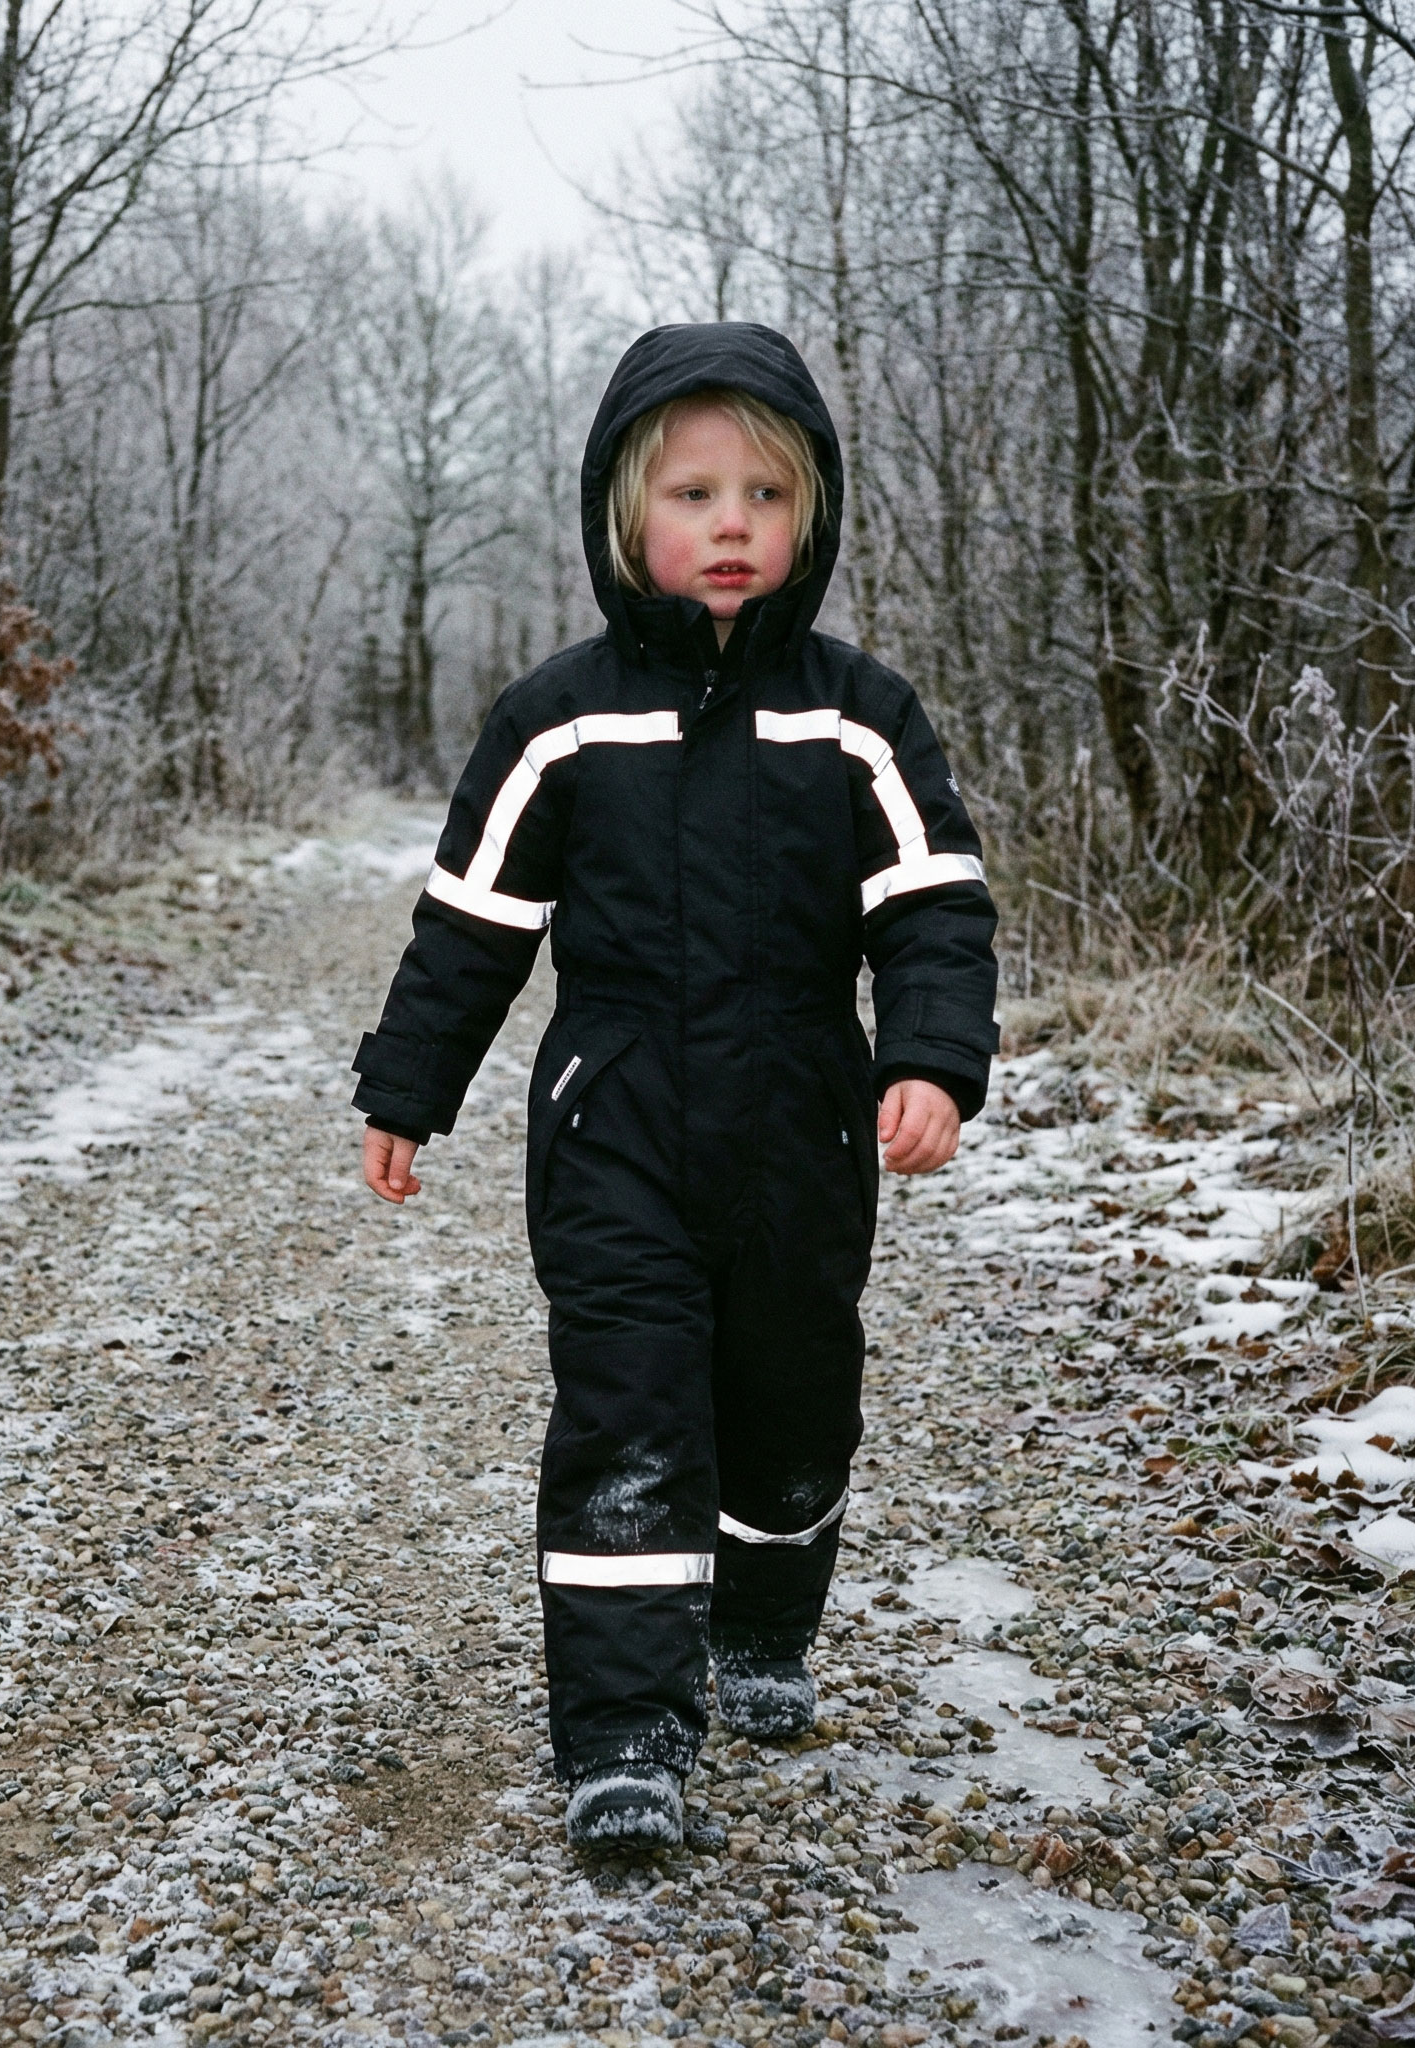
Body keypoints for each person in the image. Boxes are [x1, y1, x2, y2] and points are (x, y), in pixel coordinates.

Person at [350, 323, 999, 1850]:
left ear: (813, 517)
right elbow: (471, 928)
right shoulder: (558, 719)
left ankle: (763, 1626)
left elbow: (934, 908)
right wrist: (407, 1086)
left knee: (790, 1402)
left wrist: (928, 1062)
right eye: (695, 493)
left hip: (805, 1123)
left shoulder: (862, 715)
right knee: (628, 1411)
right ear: (625, 514)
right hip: (615, 1124)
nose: (731, 525)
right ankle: (626, 1729)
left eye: (767, 495)